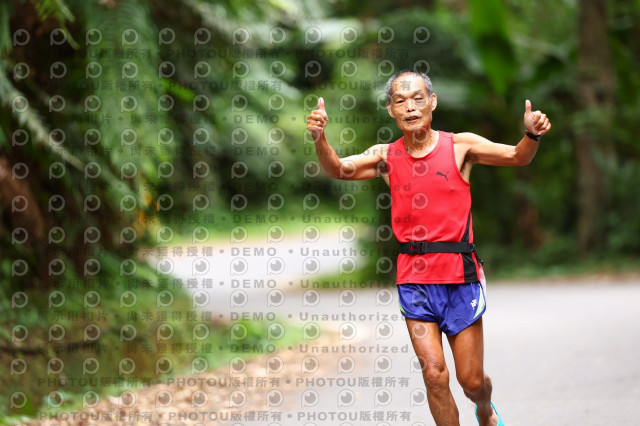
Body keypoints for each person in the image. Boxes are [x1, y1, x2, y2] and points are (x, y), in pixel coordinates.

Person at [306, 70, 551, 426]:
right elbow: (340, 168)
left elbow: (517, 156)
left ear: (432, 102)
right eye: (400, 101)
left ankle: (484, 407)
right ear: (390, 109)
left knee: (471, 382)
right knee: (434, 374)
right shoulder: (386, 156)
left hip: (460, 276)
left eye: (418, 99)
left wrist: (531, 134)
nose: (410, 107)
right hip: (414, 280)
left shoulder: (461, 147)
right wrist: (320, 139)